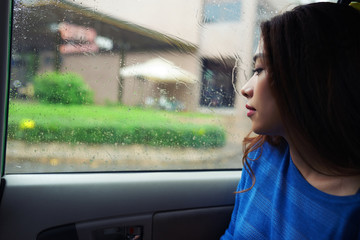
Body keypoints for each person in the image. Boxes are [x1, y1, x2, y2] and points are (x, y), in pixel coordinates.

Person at [221, 2, 360, 239]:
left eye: (260, 69)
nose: (245, 89)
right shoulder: (260, 154)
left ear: (308, 79)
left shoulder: (351, 216)